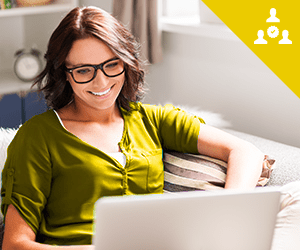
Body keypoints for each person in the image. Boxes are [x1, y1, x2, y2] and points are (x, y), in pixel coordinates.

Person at [1, 6, 265, 250]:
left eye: (111, 65)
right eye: (84, 71)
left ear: (126, 64)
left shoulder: (153, 120)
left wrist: (227, 213)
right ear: (65, 74)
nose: (101, 81)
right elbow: (14, 244)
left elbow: (244, 152)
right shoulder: (38, 135)